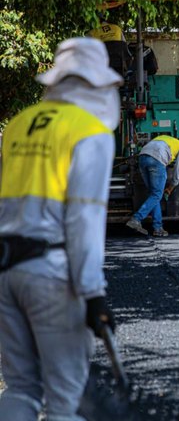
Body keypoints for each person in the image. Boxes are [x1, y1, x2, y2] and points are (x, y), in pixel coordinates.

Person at [0, 37, 121, 419]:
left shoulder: (19, 125)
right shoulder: (89, 132)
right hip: (51, 274)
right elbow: (83, 217)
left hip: (5, 273)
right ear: (98, 83)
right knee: (65, 400)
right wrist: (92, 294)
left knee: (20, 388)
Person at [126, 135, 179, 237]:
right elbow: (178, 172)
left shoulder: (166, 138)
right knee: (156, 195)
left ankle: (158, 228)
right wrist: (171, 187)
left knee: (154, 195)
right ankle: (136, 219)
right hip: (157, 160)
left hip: (142, 157)